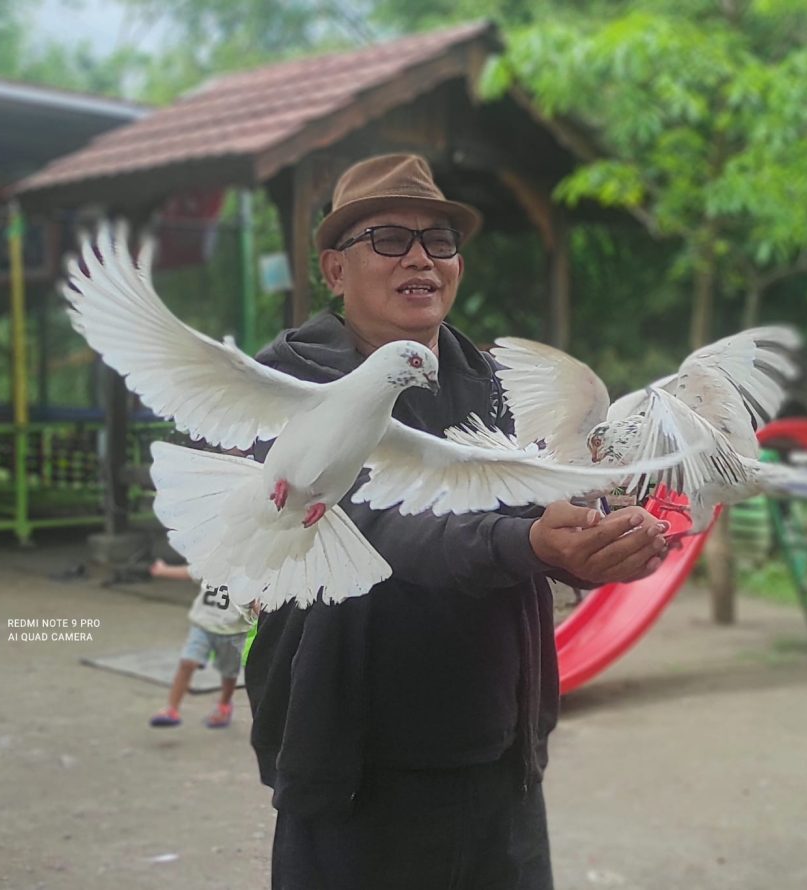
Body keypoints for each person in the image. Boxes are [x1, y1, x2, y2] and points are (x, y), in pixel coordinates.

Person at [244, 153, 671, 890]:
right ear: (334, 271)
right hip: (352, 761)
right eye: (387, 239)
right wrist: (526, 540)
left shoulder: (496, 387)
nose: (420, 258)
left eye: (439, 241)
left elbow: (539, 511)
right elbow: (366, 528)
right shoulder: (288, 383)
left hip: (496, 756)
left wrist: (595, 542)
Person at [149, 558, 256, 729]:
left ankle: (224, 705)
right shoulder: (214, 562)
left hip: (233, 632)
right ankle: (171, 709)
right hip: (202, 625)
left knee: (228, 673)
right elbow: (190, 572)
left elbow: (258, 603)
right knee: (187, 662)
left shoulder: (253, 573)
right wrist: (163, 570)